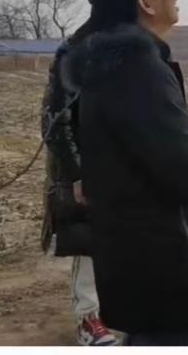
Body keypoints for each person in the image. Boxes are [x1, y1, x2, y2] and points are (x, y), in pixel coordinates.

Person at [62, 0, 188, 346]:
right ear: (146, 2)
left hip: (137, 252)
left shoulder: (109, 66)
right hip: (164, 259)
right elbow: (185, 173)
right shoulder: (138, 69)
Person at [40, 29, 117, 347]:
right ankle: (89, 318)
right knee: (89, 244)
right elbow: (55, 119)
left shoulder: (137, 48)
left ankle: (122, 310)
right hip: (88, 166)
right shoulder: (75, 51)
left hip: (124, 165)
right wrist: (76, 173)